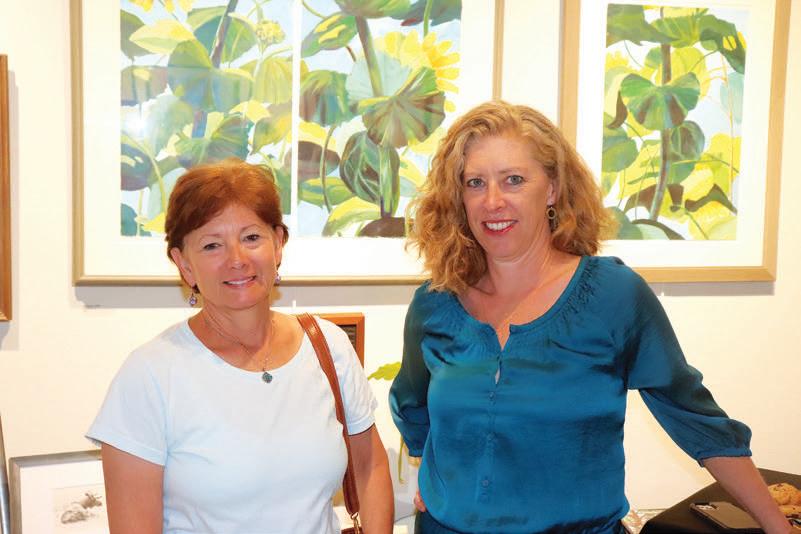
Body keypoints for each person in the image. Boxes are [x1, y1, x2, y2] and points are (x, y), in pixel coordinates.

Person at [389, 101, 792, 533]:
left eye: (513, 180)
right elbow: (412, 404)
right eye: (475, 183)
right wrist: (432, 471)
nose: (492, 201)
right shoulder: (435, 303)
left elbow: (695, 419)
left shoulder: (612, 296)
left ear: (552, 189)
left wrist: (776, 526)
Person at [88, 159, 393, 534]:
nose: (237, 260)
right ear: (184, 264)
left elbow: (369, 467)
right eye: (212, 245)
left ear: (278, 244)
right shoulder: (150, 375)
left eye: (251, 238)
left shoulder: (328, 346)